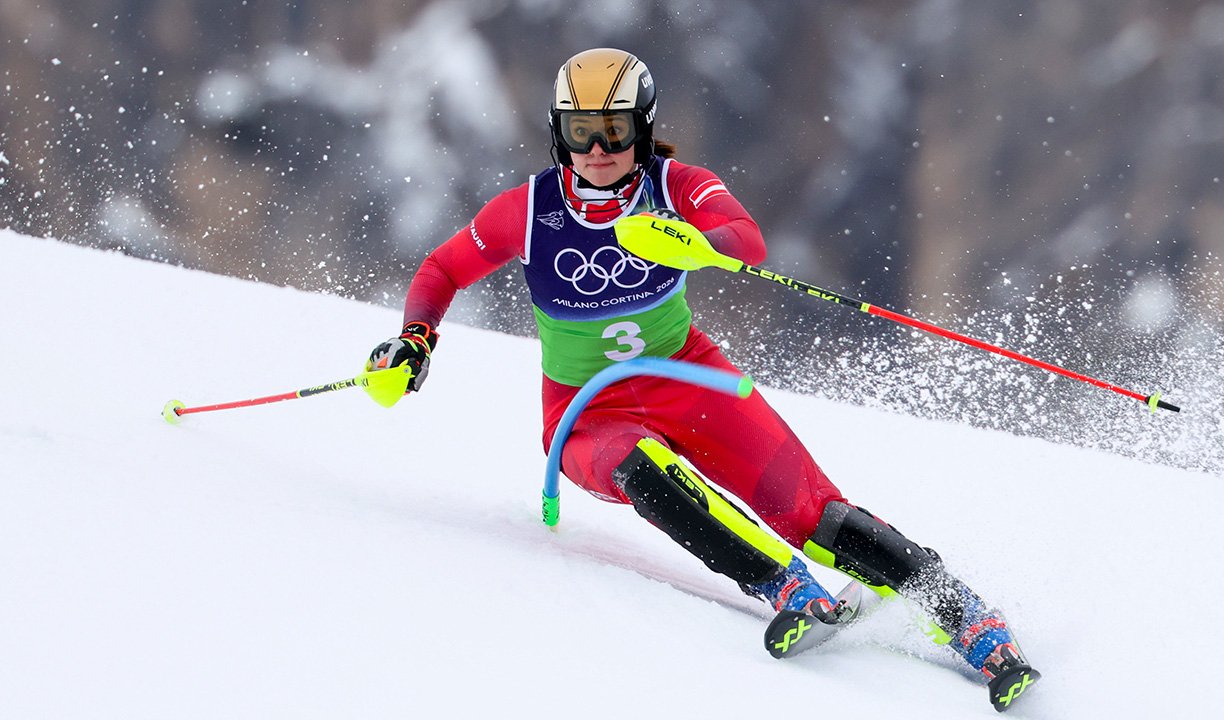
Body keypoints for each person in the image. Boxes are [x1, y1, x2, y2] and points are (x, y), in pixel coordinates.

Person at [367, 48, 1038, 706]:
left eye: (614, 132)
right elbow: (442, 271)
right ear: (557, 135)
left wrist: (692, 241)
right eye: (580, 133)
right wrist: (414, 342)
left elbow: (745, 239)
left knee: (810, 511)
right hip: (584, 414)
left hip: (689, 378)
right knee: (641, 466)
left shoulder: (678, 184)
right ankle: (786, 588)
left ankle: (970, 621)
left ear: (642, 129)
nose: (597, 150)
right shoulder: (528, 212)